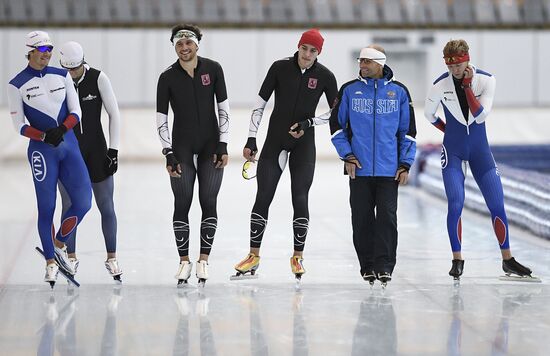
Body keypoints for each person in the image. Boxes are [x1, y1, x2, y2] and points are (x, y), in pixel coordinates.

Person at [424, 39, 535, 281]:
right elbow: (428, 114)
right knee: (456, 204)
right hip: (452, 151)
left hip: (480, 151)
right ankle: (457, 258)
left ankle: (508, 260)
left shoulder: (486, 80)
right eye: (450, 65)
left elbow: (480, 114)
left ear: (467, 59)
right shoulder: (439, 85)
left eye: (459, 64)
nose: (454, 70)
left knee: (497, 205)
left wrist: (466, 87)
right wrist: (448, 133)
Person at [233, 29, 338, 280]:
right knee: (263, 196)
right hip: (275, 141)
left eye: (313, 51)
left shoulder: (325, 76)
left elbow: (336, 112)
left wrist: (309, 123)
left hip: (304, 144)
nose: (307, 54)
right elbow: (260, 104)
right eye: (305, 48)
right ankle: (253, 256)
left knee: (300, 197)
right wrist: (250, 137)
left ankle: (297, 256)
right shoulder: (279, 68)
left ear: (318, 53)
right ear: (298, 47)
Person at [7, 31, 92, 285]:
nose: (46, 56)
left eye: (49, 51)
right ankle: (50, 263)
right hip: (42, 152)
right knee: (47, 208)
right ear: (30, 52)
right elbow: (17, 125)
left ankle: (58, 245)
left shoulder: (62, 75)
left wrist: (62, 129)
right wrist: (43, 137)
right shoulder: (17, 83)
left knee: (84, 202)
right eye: (42, 52)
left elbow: (76, 110)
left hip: (69, 145)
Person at [330, 45, 416, 287]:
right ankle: (367, 266)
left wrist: (405, 163)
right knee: (362, 219)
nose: (362, 65)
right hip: (359, 169)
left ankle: (385, 266)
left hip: (389, 170)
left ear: (380, 63)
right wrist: (347, 155)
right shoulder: (349, 90)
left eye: (367, 61)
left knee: (387, 218)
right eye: (360, 61)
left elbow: (407, 132)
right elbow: (337, 126)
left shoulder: (399, 92)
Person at [156, 24, 230, 286]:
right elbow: (161, 119)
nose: (184, 48)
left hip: (211, 145)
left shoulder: (214, 69)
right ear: (174, 47)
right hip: (182, 148)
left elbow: (223, 109)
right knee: (182, 203)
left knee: (209, 201)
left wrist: (223, 143)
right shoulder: (167, 77)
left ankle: (203, 260)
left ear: (197, 44)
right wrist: (168, 152)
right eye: (179, 44)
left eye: (188, 43)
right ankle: (184, 261)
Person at [57, 41, 122, 281]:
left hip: (97, 151)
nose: (72, 74)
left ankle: (112, 257)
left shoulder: (98, 78)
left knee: (106, 206)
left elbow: (114, 113)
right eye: (68, 70)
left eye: (76, 69)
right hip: (69, 154)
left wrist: (113, 150)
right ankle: (70, 257)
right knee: (69, 206)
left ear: (84, 62)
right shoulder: (57, 82)